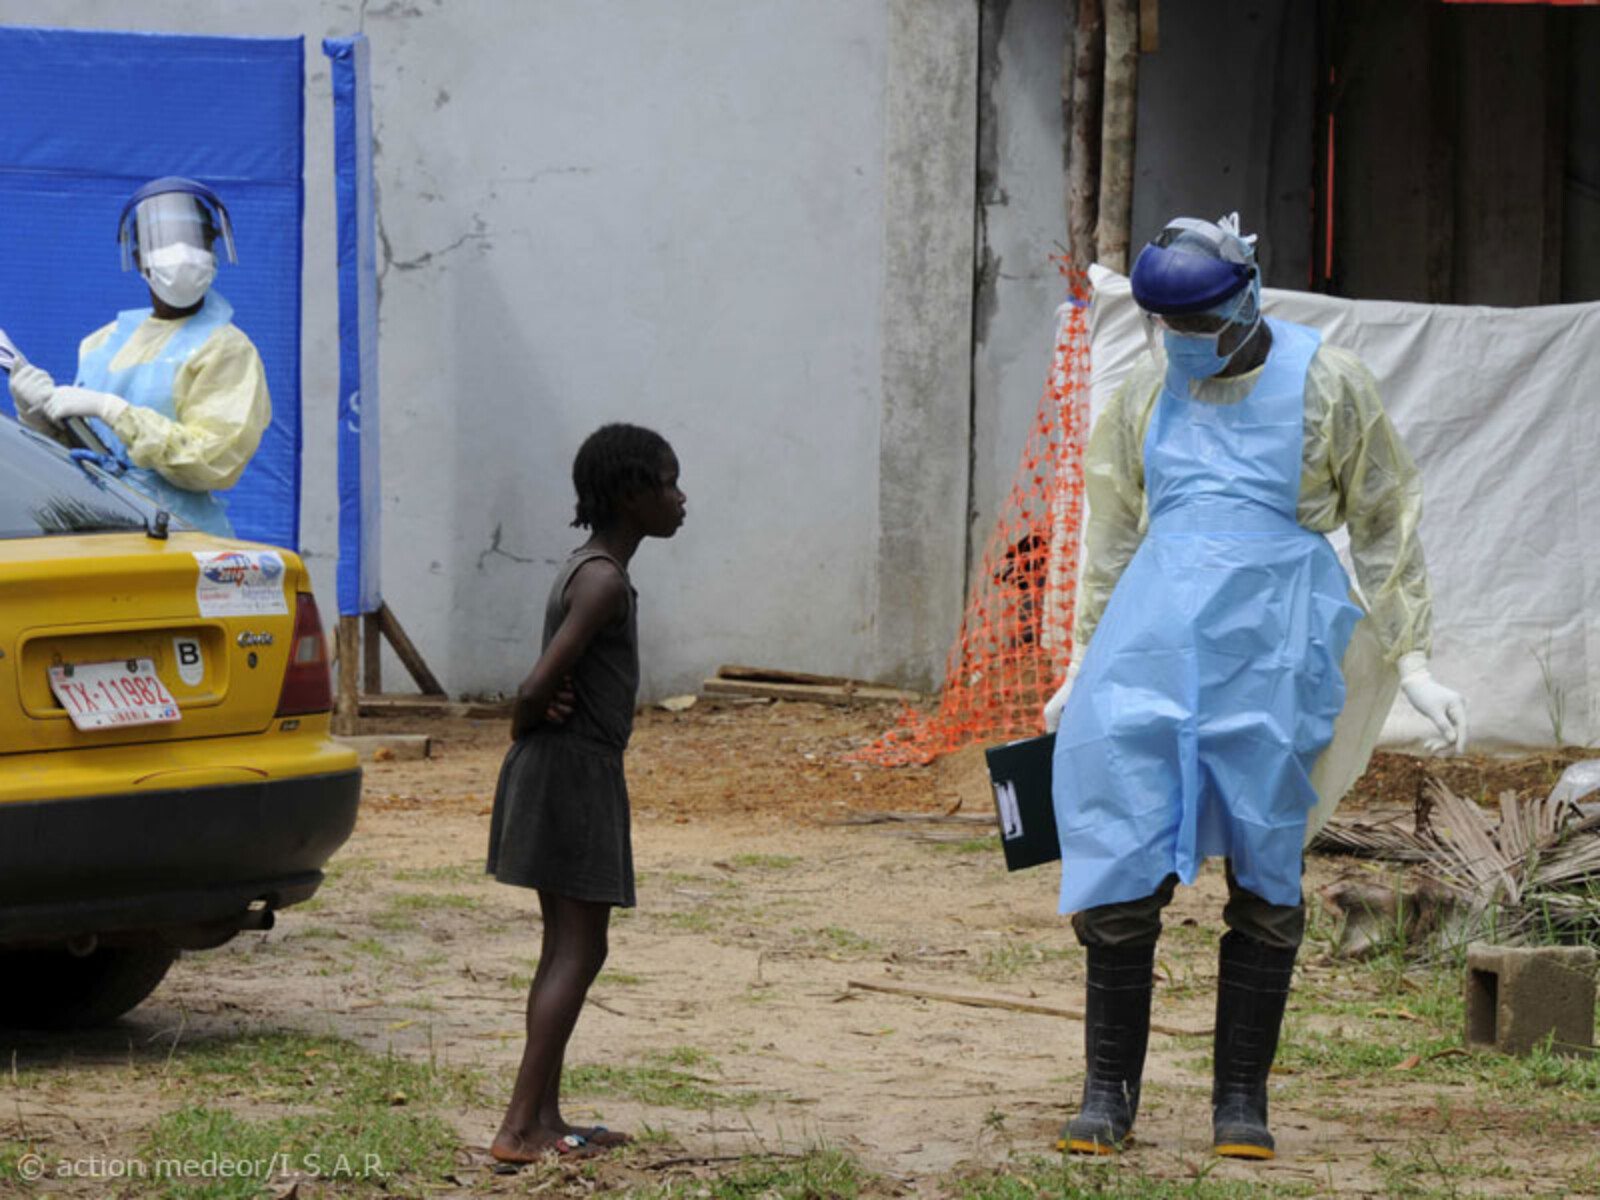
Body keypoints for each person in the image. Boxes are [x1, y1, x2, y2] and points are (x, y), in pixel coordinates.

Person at [1041, 214, 1466, 1160]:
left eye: (1196, 325)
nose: (1182, 345)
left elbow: (1386, 520)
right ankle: (1106, 1093)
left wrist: (1415, 661)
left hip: (1276, 648)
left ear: (1246, 298)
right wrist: (1081, 658)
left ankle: (1242, 1100)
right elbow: (1111, 525)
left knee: (1268, 870)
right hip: (1151, 644)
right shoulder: (1150, 389)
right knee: (1120, 849)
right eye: (1167, 329)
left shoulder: (1329, 383)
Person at [484, 422, 686, 1164]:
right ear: (633, 495)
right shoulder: (602, 579)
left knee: (566, 945)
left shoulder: (590, 567)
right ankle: (518, 1129)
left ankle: (545, 1116)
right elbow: (537, 684)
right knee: (580, 946)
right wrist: (524, 722)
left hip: (565, 769)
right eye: (667, 482)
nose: (680, 497)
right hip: (573, 772)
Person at [6, 176, 270, 536]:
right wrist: (40, 417)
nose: (182, 253)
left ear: (214, 250)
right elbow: (86, 456)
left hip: (178, 535)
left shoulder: (225, 349)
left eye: (195, 240)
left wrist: (115, 411)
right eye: (167, 240)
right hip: (97, 525)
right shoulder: (102, 344)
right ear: (138, 258)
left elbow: (212, 461)